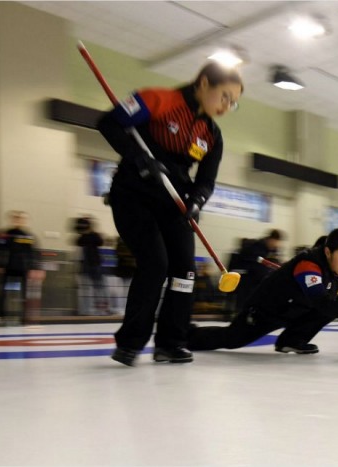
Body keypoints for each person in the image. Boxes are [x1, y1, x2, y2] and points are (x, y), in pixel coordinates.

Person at [96, 61, 244, 366]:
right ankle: (131, 342)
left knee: (185, 273)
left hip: (174, 203)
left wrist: (197, 201)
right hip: (134, 195)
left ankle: (171, 342)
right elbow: (108, 123)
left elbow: (206, 181)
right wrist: (139, 159)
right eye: (225, 96)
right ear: (204, 83)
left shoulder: (211, 135)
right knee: (155, 264)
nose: (227, 106)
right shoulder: (157, 99)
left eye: (234, 102)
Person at [186, 228, 338, 354]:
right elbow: (320, 302)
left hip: (295, 310)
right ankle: (185, 335)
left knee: (334, 302)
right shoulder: (308, 266)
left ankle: (290, 340)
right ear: (328, 252)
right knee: (232, 340)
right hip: (265, 311)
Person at [0, 211, 39, 324]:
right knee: (3, 292)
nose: (18, 220)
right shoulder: (6, 234)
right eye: (16, 218)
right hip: (8, 267)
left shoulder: (28, 236)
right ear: (12, 220)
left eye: (21, 218)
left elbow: (32, 253)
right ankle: (1, 314)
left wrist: (34, 268)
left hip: (22, 268)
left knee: (24, 293)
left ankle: (23, 316)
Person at [229, 229, 284, 314]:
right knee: (246, 302)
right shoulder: (256, 248)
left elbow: (273, 265)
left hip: (255, 278)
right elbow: (258, 268)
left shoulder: (270, 250)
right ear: (270, 240)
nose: (275, 246)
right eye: (275, 243)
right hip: (246, 278)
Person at [74, 216, 108, 315]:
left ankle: (101, 309)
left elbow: (100, 242)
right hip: (85, 266)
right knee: (85, 289)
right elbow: (78, 242)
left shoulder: (94, 236)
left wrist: (92, 229)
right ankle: (85, 310)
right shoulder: (82, 237)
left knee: (98, 288)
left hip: (95, 264)